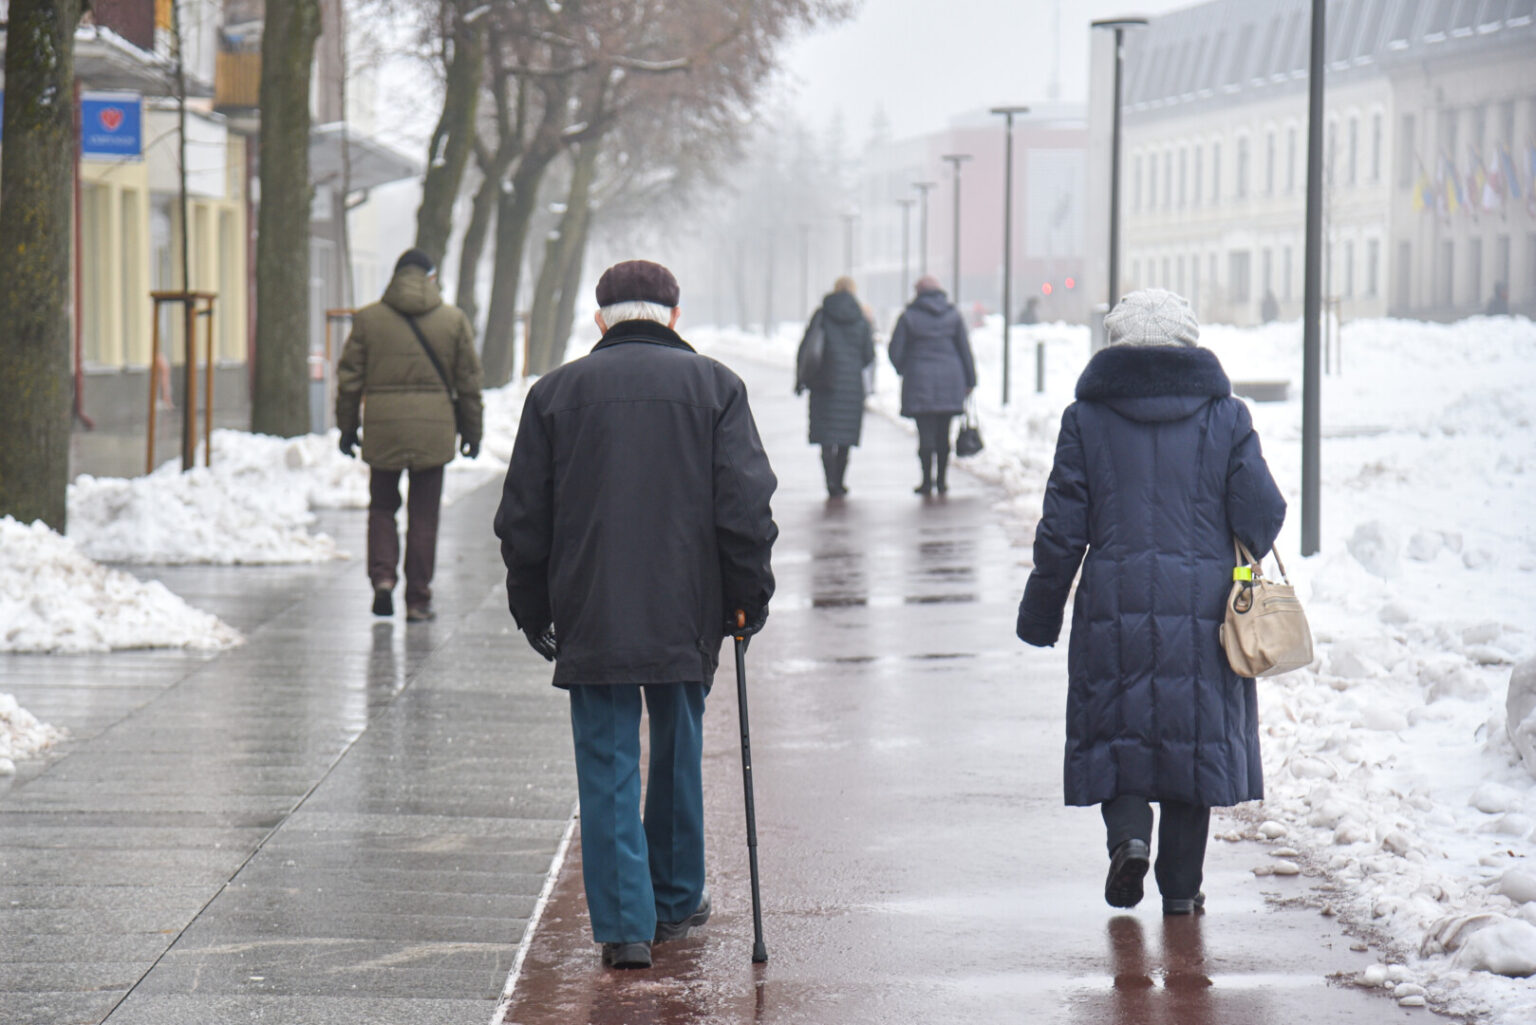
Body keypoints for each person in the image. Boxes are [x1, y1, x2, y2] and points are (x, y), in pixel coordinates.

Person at [494, 260, 778, 970]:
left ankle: (624, 925)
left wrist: (533, 605)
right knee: (679, 742)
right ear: (672, 316)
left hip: (591, 604)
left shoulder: (555, 394)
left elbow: (523, 518)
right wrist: (749, 595)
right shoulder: (716, 387)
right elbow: (744, 508)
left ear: (601, 318)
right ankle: (677, 899)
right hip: (687, 605)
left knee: (606, 757)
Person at [1014, 288, 1285, 916]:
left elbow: (1061, 528)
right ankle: (1183, 891)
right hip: (1204, 609)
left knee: (1117, 728)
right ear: (1189, 343)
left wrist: (1042, 610)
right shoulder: (1227, 416)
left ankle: (1130, 836)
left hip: (1115, 604)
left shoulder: (1085, 419)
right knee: (1192, 741)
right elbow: (1263, 514)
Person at [337, 248, 483, 622]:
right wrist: (472, 430)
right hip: (434, 431)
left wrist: (347, 426)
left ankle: (383, 578)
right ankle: (417, 598)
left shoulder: (368, 319)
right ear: (430, 278)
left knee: (383, 508)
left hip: (383, 429)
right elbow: (469, 382)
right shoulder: (453, 321)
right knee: (424, 515)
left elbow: (350, 380)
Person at [888, 274, 977, 496]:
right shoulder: (953, 315)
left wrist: (905, 368)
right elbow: (964, 349)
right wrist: (970, 380)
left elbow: (895, 350)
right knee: (944, 433)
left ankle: (927, 481)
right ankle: (942, 481)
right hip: (951, 379)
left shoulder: (909, 316)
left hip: (919, 380)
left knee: (925, 433)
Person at [796, 276, 875, 498]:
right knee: (844, 437)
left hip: (823, 383)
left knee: (826, 437)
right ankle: (840, 481)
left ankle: (829, 480)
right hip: (850, 386)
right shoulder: (860, 318)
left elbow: (807, 348)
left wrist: (801, 379)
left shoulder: (821, 315)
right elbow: (868, 355)